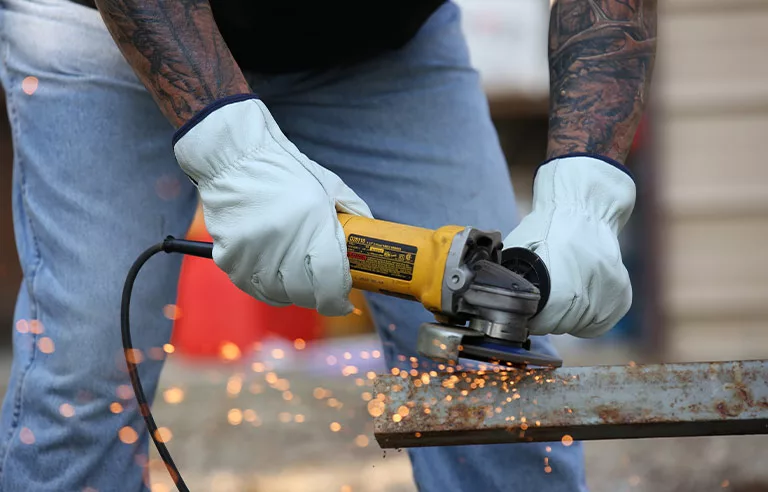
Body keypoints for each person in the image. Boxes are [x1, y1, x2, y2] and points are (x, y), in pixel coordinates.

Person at [0, 0, 656, 490]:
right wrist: (232, 149)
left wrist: (587, 183)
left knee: (491, 373)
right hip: (107, 32)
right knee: (88, 373)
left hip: (379, 47)